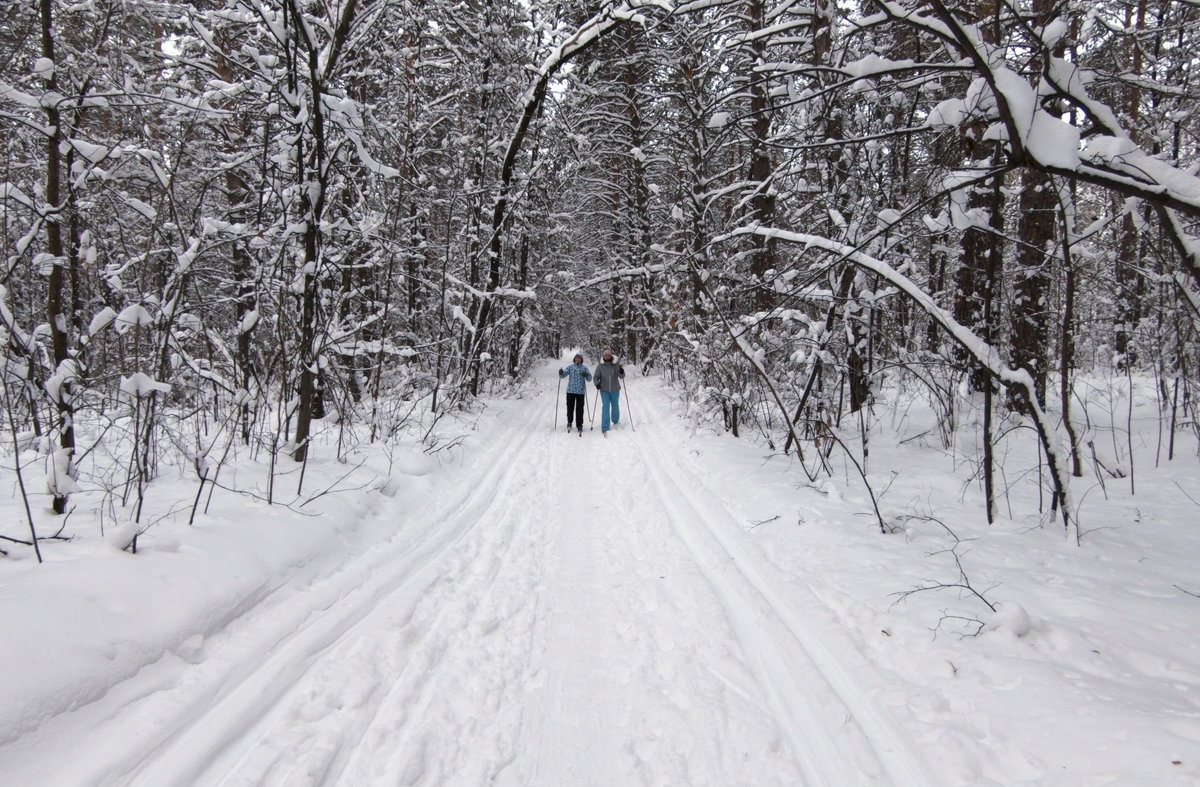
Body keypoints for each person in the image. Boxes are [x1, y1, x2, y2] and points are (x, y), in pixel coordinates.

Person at [593, 349, 625, 436]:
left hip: (615, 389)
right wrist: (597, 384)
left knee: (615, 405)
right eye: (605, 355)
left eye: (608, 355)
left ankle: (615, 421)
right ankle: (605, 427)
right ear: (603, 356)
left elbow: (622, 377)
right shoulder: (600, 366)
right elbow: (596, 377)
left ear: (611, 356)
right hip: (604, 390)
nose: (607, 356)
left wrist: (622, 371)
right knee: (606, 407)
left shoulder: (615, 365)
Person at [558, 354, 592, 435]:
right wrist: (560, 373)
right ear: (574, 359)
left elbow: (590, 379)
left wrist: (586, 375)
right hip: (570, 391)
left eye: (579, 358)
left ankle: (579, 425)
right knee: (570, 407)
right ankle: (569, 422)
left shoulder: (584, 368)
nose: (578, 359)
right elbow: (562, 376)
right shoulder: (570, 367)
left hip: (580, 391)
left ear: (581, 360)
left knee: (580, 409)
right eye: (576, 358)